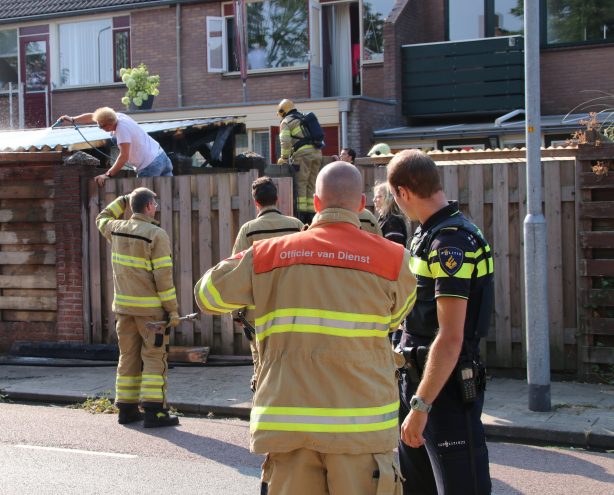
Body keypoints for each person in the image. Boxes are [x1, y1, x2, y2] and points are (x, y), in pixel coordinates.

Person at [195, 162, 416, 495]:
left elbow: (207, 294)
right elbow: (396, 316)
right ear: (361, 206)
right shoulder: (395, 259)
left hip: (289, 430)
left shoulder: (268, 254)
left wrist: (256, 265)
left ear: (315, 204)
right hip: (362, 429)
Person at [387, 150, 494, 495]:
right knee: (416, 487)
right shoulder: (428, 234)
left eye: (393, 197)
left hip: (442, 391)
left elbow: (451, 338)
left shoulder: (451, 243)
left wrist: (421, 406)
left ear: (402, 192)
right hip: (418, 384)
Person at [96, 187, 180, 428]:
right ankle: (156, 413)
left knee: (128, 356)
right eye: (154, 202)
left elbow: (101, 217)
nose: (156, 206)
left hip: (124, 309)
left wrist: (122, 201)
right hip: (151, 312)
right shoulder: (156, 234)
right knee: (155, 358)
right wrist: (172, 311)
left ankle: (127, 409)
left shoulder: (117, 229)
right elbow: (163, 279)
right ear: (150, 206)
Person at [230, 177, 304, 391]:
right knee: (292, 362)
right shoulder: (296, 226)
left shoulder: (248, 230)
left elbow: (237, 272)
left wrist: (237, 313)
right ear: (278, 199)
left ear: (256, 203)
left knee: (262, 365)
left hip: (257, 311)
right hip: (293, 307)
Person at [59, 107, 172, 185]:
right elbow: (93, 116)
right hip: (161, 156)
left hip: (149, 165)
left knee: (144, 203)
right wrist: (73, 119)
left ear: (108, 126)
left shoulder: (122, 131)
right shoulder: (117, 116)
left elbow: (124, 157)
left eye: (100, 126)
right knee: (169, 196)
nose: (99, 127)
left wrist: (107, 175)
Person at [276, 99, 321, 225]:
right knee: (312, 184)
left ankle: (302, 217)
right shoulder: (303, 119)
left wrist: (284, 158)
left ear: (282, 111)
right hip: (317, 153)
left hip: (303, 155)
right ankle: (313, 215)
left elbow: (285, 141)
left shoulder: (287, 121)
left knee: (301, 184)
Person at [373, 181, 409, 246]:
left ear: (388, 198)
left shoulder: (393, 222)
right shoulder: (385, 220)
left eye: (378, 197)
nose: (374, 200)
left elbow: (394, 251)